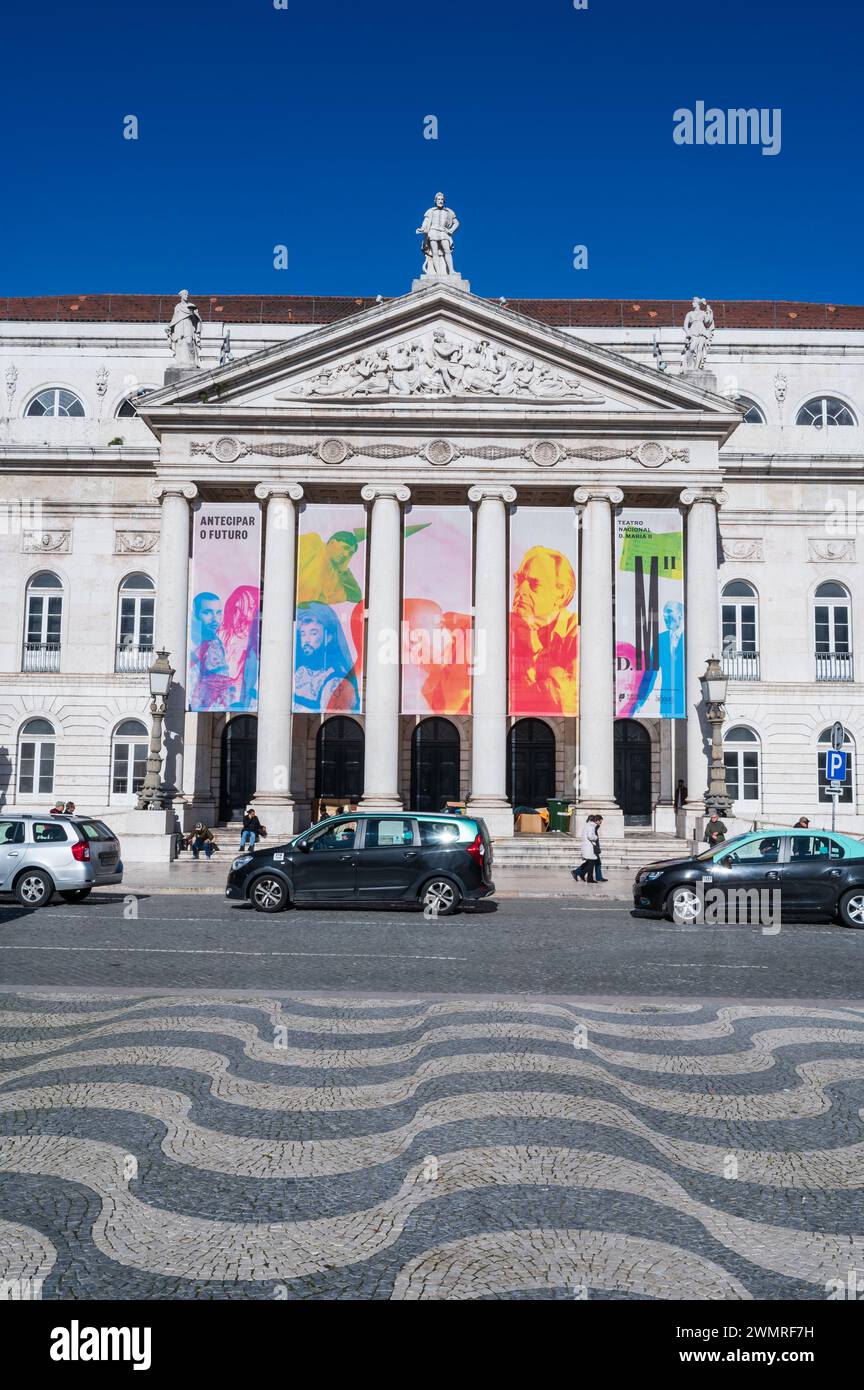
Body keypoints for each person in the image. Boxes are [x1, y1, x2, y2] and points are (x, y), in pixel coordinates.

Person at [510, 545, 579, 716]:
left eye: (534, 584)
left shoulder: (577, 634)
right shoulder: (499, 627)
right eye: (519, 580)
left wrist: (533, 645)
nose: (521, 591)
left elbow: (564, 701)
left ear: (562, 595)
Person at [573, 816, 598, 883]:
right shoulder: (591, 826)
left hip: (586, 847)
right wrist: (596, 837)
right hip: (589, 847)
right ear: (595, 820)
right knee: (591, 863)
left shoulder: (587, 825)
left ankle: (580, 873)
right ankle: (589, 878)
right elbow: (590, 836)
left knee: (589, 863)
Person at [593, 814, 608, 882]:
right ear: (596, 820)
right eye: (600, 822)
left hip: (595, 848)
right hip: (594, 848)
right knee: (597, 863)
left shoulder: (594, 827)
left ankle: (577, 872)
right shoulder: (593, 827)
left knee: (593, 863)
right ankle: (577, 872)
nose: (600, 824)